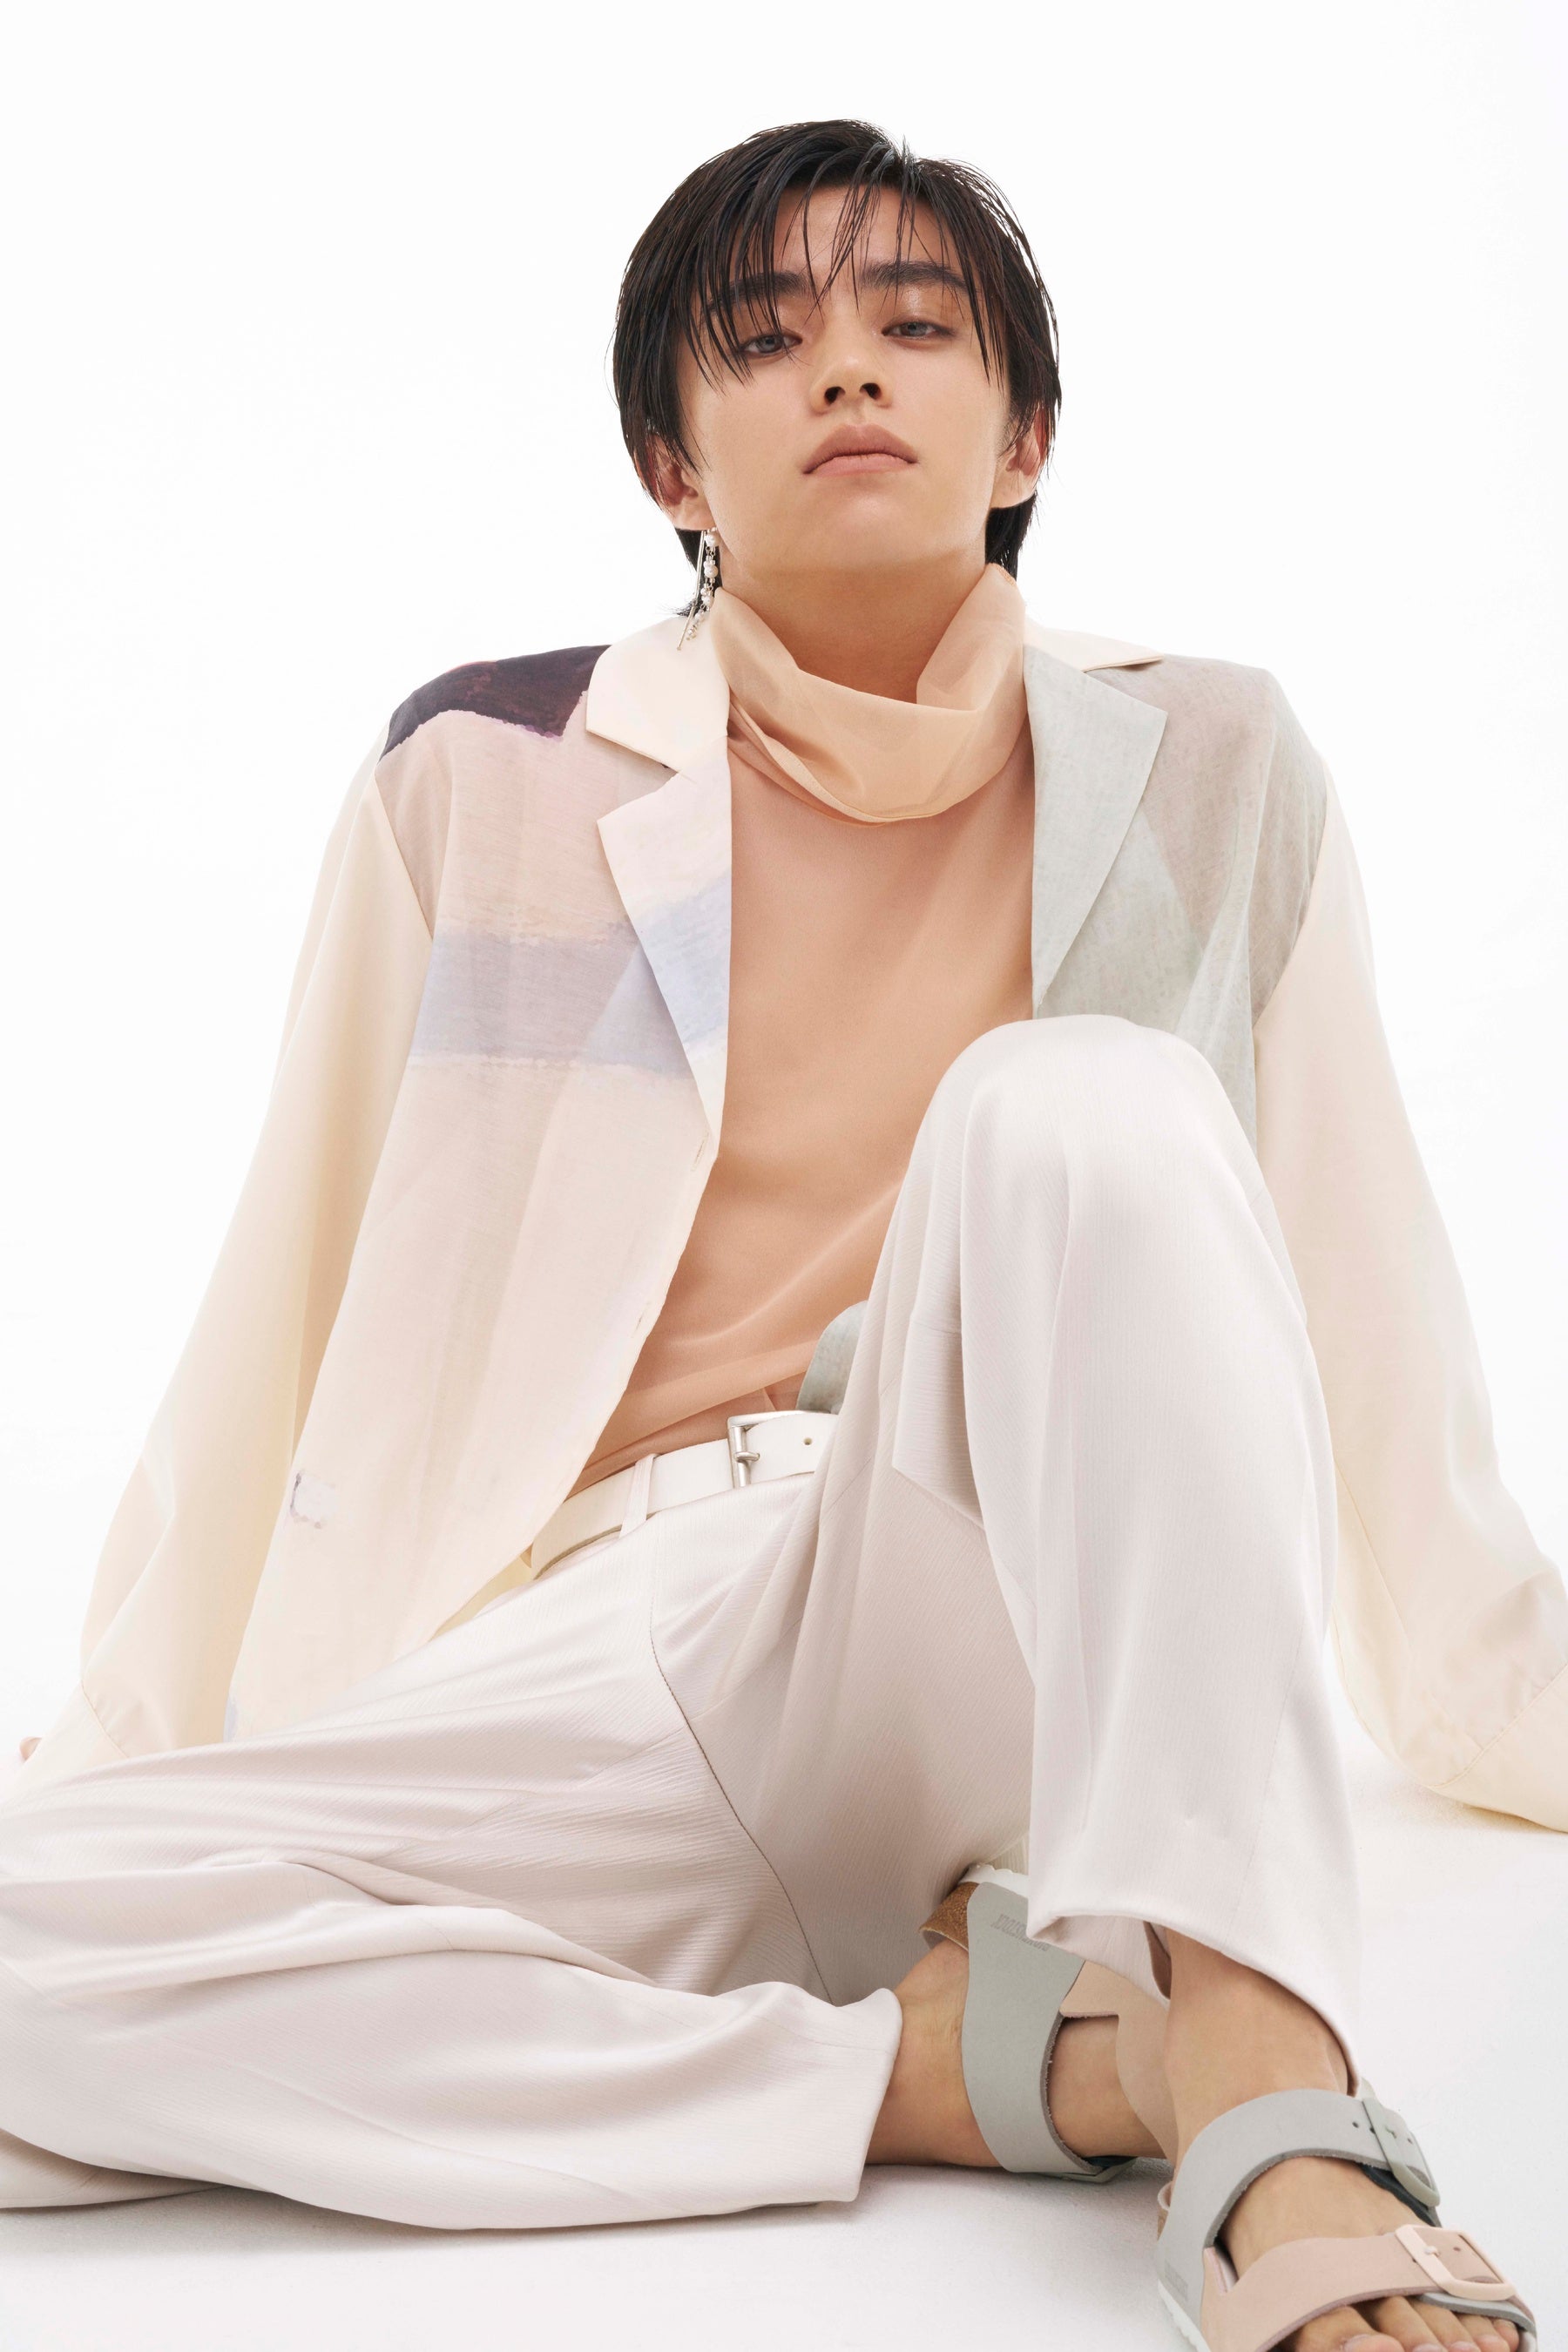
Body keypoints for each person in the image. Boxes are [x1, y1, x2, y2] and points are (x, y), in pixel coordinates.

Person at [0, 118, 1553, 2352]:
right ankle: (962, 2071)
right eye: (764, 339)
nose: (846, 371)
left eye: (915, 327)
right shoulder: (488, 771)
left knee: (1085, 1101)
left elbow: (1369, 1319)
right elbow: (293, 1278)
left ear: (1024, 436)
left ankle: (1260, 2066)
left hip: (1000, 1597)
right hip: (612, 1634)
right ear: (673, 464)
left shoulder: (1217, 764)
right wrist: (136, 1747)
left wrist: (1504, 1695)